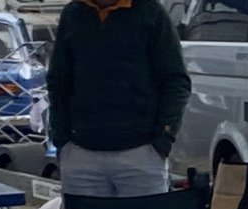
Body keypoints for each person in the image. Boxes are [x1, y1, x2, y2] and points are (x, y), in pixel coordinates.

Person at [46, 0, 191, 198]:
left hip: (140, 152)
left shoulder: (151, 13)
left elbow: (176, 81)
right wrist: (62, 140)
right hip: (80, 153)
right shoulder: (73, 14)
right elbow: (58, 81)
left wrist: (163, 140)